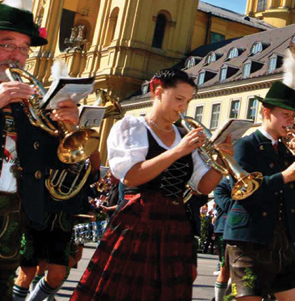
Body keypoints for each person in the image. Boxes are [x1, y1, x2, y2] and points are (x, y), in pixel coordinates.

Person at [69, 68, 229, 301]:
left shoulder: (183, 134)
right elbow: (131, 177)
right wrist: (178, 151)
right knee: (124, 290)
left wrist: (220, 161)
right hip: (138, 219)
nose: (183, 107)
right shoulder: (132, 126)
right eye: (178, 99)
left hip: (175, 222)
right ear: (157, 92)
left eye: (187, 101)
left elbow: (203, 187)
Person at [0, 0, 80, 301]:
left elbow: (55, 168)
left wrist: (66, 131)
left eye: (24, 49)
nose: (17, 56)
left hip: (11, 213)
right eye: (7, 45)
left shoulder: (29, 104)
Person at [223, 80, 295, 301]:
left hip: (283, 243)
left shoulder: (287, 151)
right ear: (266, 112)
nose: (291, 122)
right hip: (248, 241)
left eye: (293, 117)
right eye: (285, 115)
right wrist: (284, 177)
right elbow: (242, 192)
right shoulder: (246, 145)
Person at [13, 151, 100, 301]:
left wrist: (94, 160)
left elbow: (88, 181)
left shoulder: (80, 158)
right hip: (37, 216)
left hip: (63, 220)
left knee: (58, 273)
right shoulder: (49, 140)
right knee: (27, 272)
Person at [212, 176, 233, 301]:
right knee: (225, 270)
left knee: (240, 271)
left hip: (243, 230)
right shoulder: (222, 184)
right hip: (224, 231)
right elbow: (227, 205)